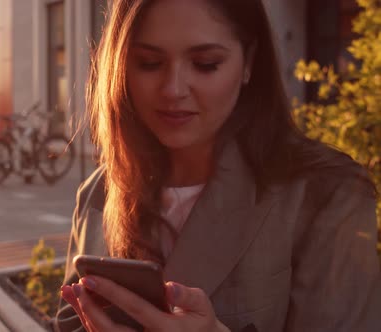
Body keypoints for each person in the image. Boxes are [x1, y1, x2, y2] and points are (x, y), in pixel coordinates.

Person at [55, 0, 381, 331]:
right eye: (149, 63)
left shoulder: (325, 193)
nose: (173, 89)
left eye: (205, 64)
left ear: (249, 62)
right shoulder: (100, 192)